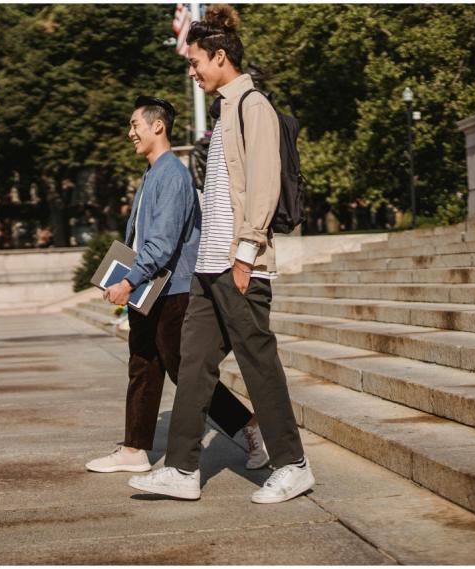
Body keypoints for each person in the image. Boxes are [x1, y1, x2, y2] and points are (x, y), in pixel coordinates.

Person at [129, 5, 314, 504]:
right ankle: (183, 470)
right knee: (192, 365)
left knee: (259, 364)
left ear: (218, 56)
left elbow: (264, 185)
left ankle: (293, 464)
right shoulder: (225, 109)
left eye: (195, 63)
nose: (191, 71)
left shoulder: (253, 105)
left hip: (238, 265)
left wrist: (247, 252)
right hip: (208, 269)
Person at [85, 95, 268, 474]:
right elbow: (141, 239)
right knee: (143, 365)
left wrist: (128, 282)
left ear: (158, 126)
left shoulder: (172, 174)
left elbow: (163, 244)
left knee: (185, 373)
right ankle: (135, 449)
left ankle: (249, 427)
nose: (130, 132)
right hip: (152, 289)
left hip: (174, 292)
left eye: (135, 125)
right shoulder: (154, 173)